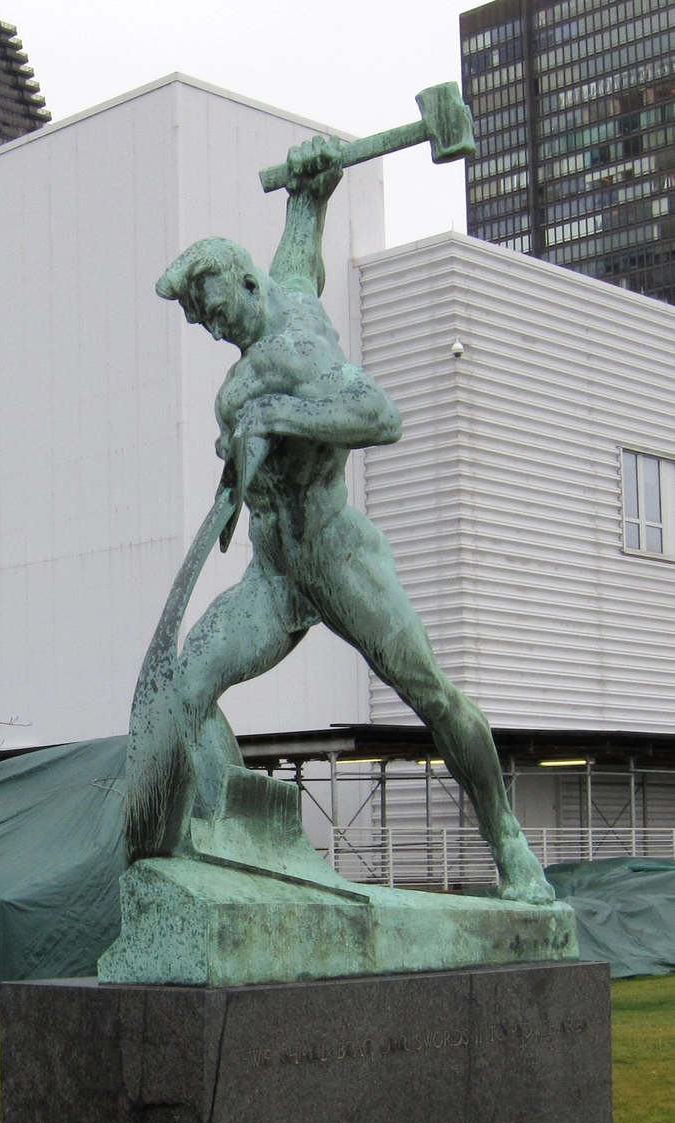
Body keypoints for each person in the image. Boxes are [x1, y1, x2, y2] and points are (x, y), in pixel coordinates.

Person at [154, 136, 553, 904]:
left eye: (215, 311)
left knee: (433, 694)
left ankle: (510, 845)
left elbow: (379, 413)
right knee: (184, 686)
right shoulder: (267, 329)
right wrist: (312, 192)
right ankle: (234, 839)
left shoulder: (298, 348)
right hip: (274, 575)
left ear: (243, 284)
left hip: (338, 556)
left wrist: (280, 415)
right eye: (201, 323)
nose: (213, 329)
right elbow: (298, 254)